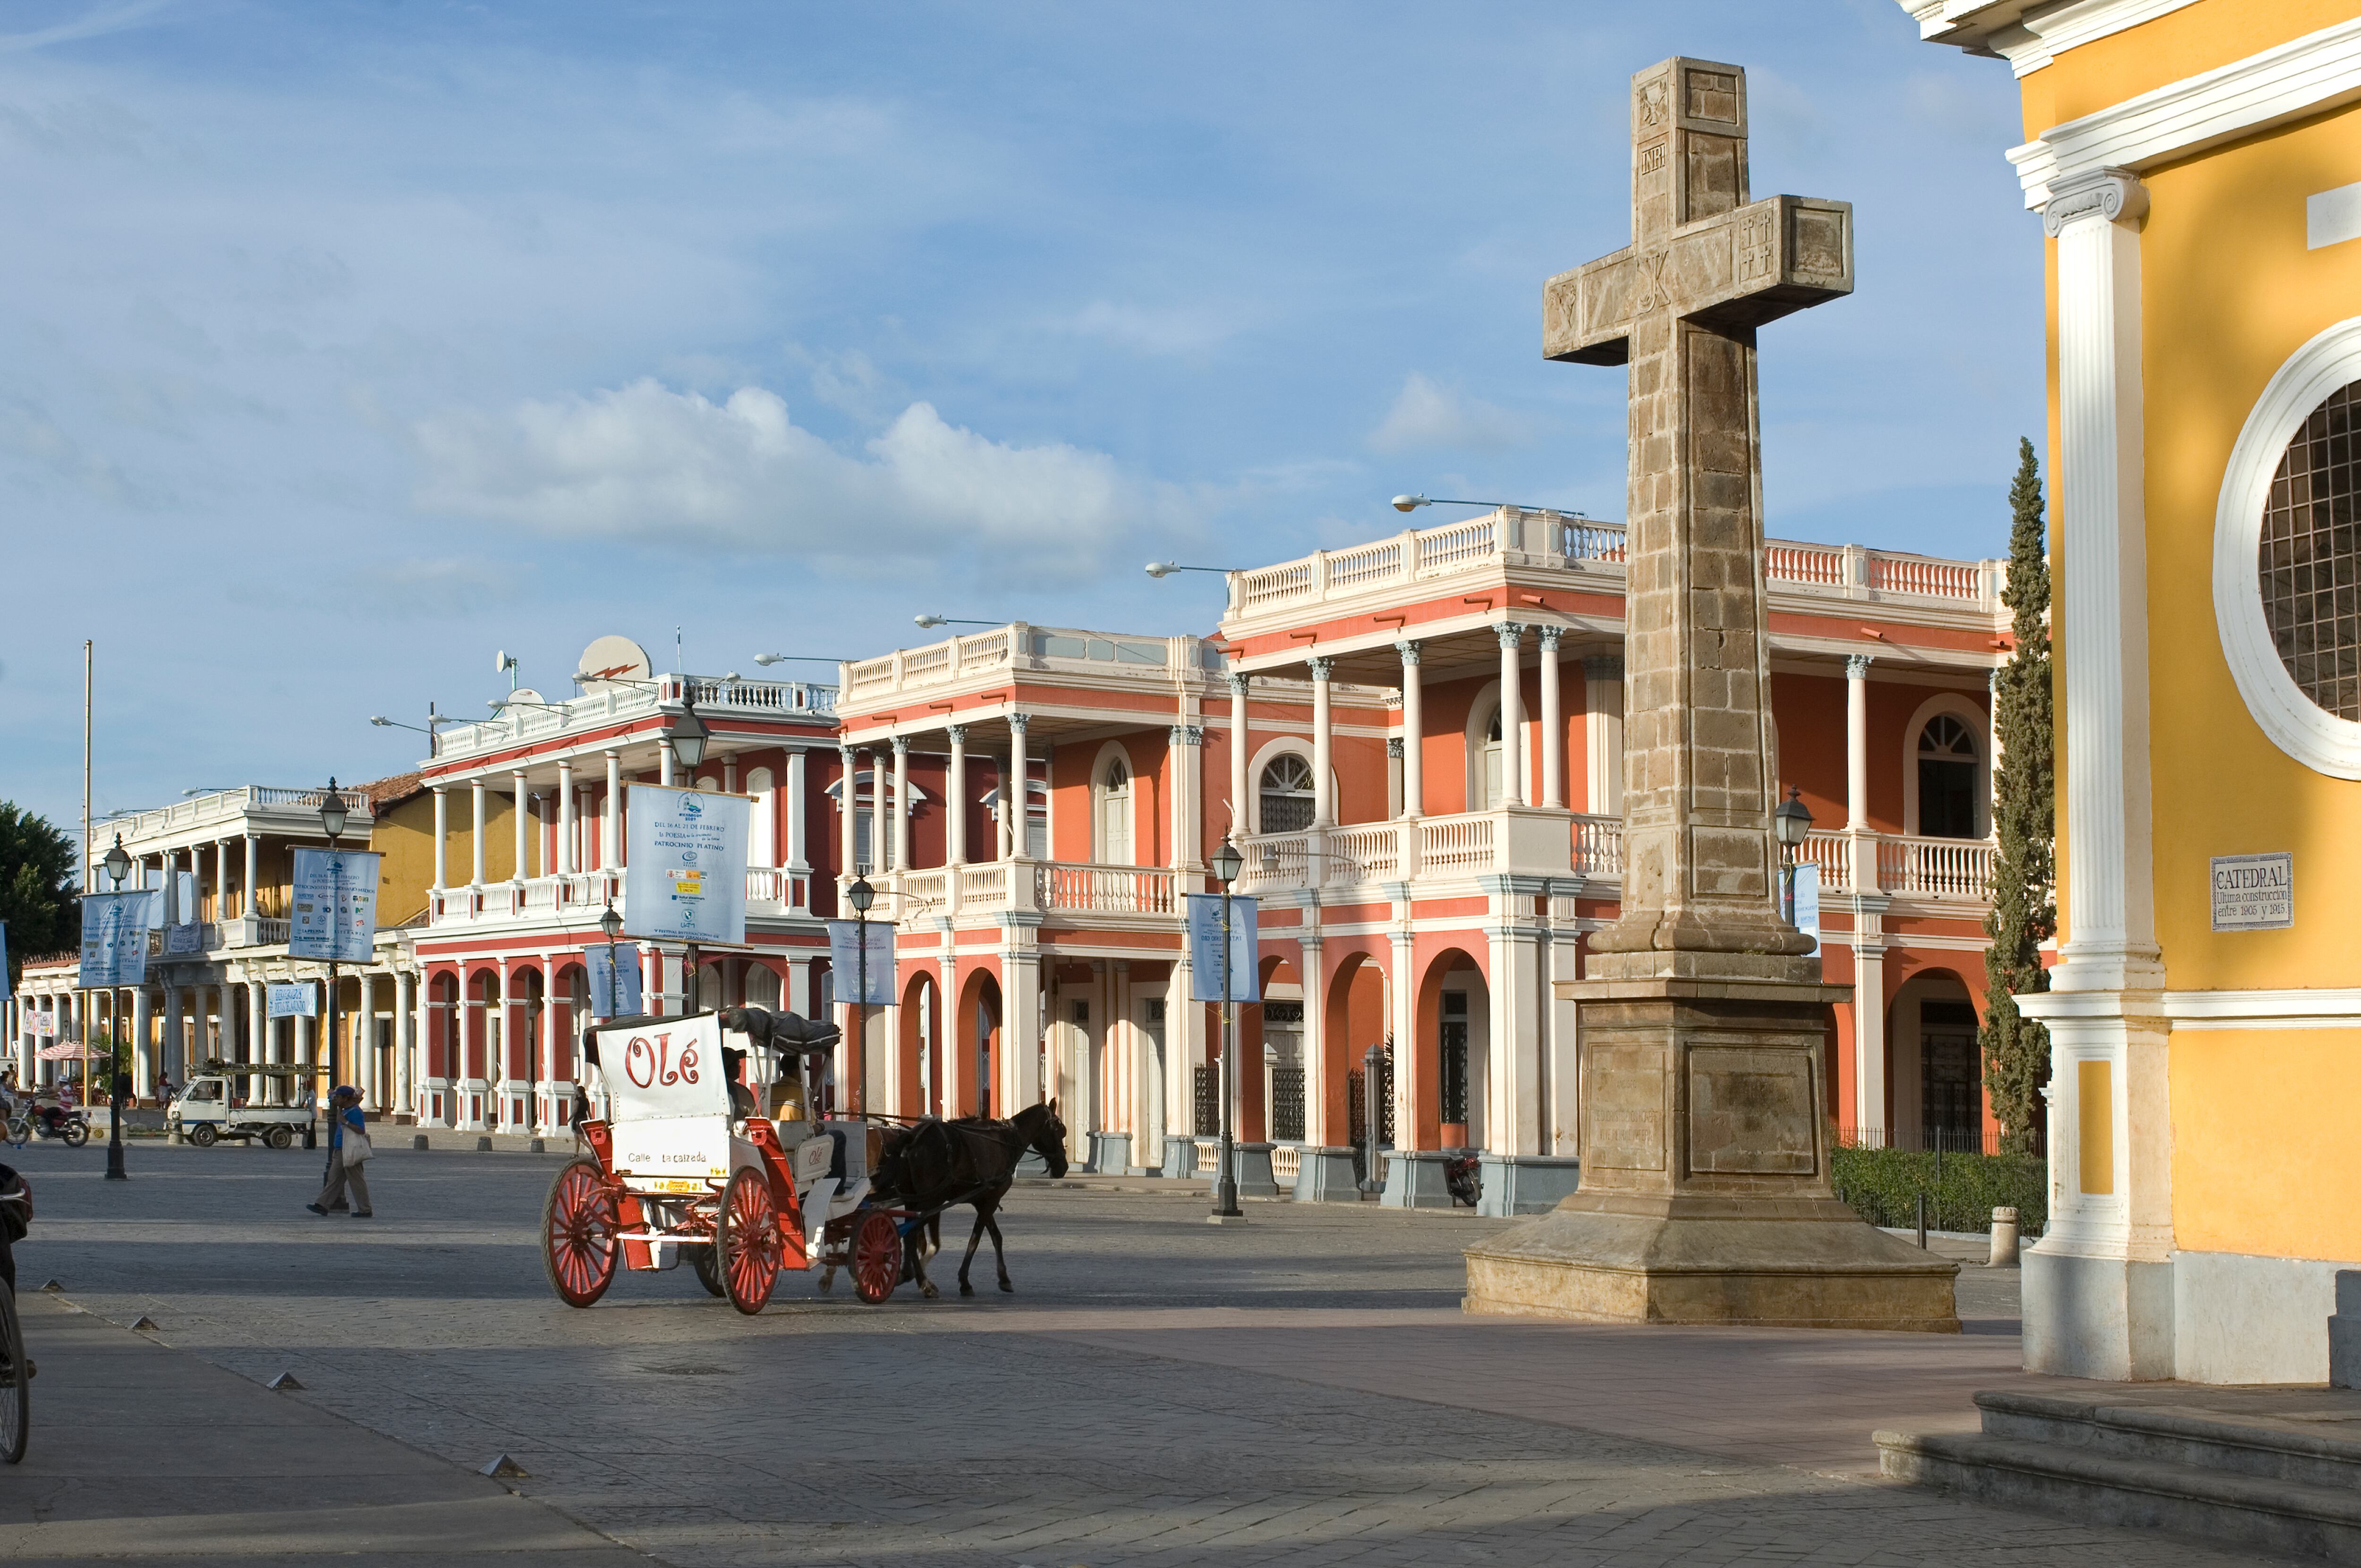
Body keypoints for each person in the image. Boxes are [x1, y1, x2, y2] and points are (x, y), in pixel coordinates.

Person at [305, 1086, 373, 1219]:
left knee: (357, 1180)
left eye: (339, 1097)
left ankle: (365, 1209)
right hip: (341, 1149)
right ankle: (322, 1205)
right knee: (334, 1179)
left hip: (350, 1149)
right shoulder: (346, 1109)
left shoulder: (355, 1112)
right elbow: (338, 1119)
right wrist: (339, 1108)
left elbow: (361, 1130)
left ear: (346, 1098)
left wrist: (346, 1122)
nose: (336, 1099)